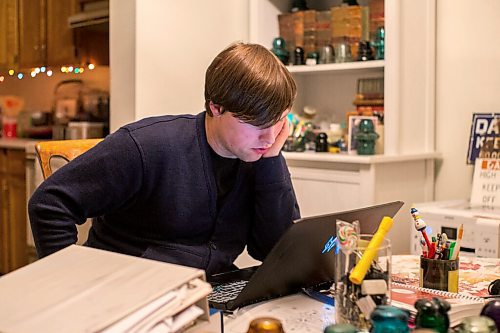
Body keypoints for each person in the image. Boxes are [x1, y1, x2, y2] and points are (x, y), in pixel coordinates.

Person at [28, 42, 301, 275]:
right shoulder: (147, 145)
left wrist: (271, 164)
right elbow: (49, 204)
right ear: (215, 107)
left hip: (206, 295)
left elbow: (271, 251)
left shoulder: (263, 155)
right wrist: (70, 282)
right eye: (256, 123)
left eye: (278, 122)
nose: (269, 137)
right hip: (129, 293)